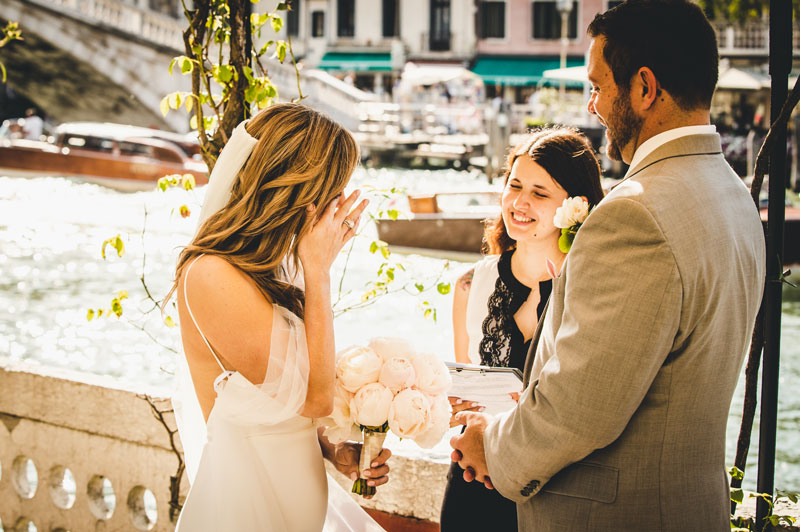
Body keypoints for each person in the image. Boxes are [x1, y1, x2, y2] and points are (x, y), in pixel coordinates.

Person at [450, 1, 766, 530]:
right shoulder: (732, 193)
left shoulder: (636, 214)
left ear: (645, 87)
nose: (593, 106)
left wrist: (491, 446)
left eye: (598, 86)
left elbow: (578, 410)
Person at [167, 103, 387, 531]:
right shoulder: (213, 274)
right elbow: (315, 398)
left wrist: (332, 449)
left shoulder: (271, 269)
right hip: (246, 503)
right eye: (333, 190)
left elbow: (284, 405)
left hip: (293, 499)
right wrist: (318, 270)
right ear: (298, 190)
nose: (337, 205)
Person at [441, 128, 605, 532]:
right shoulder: (469, 284)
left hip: (555, 493)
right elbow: (467, 396)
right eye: (514, 185)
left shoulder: (594, 290)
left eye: (540, 192)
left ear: (576, 205)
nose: (520, 202)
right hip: (473, 481)